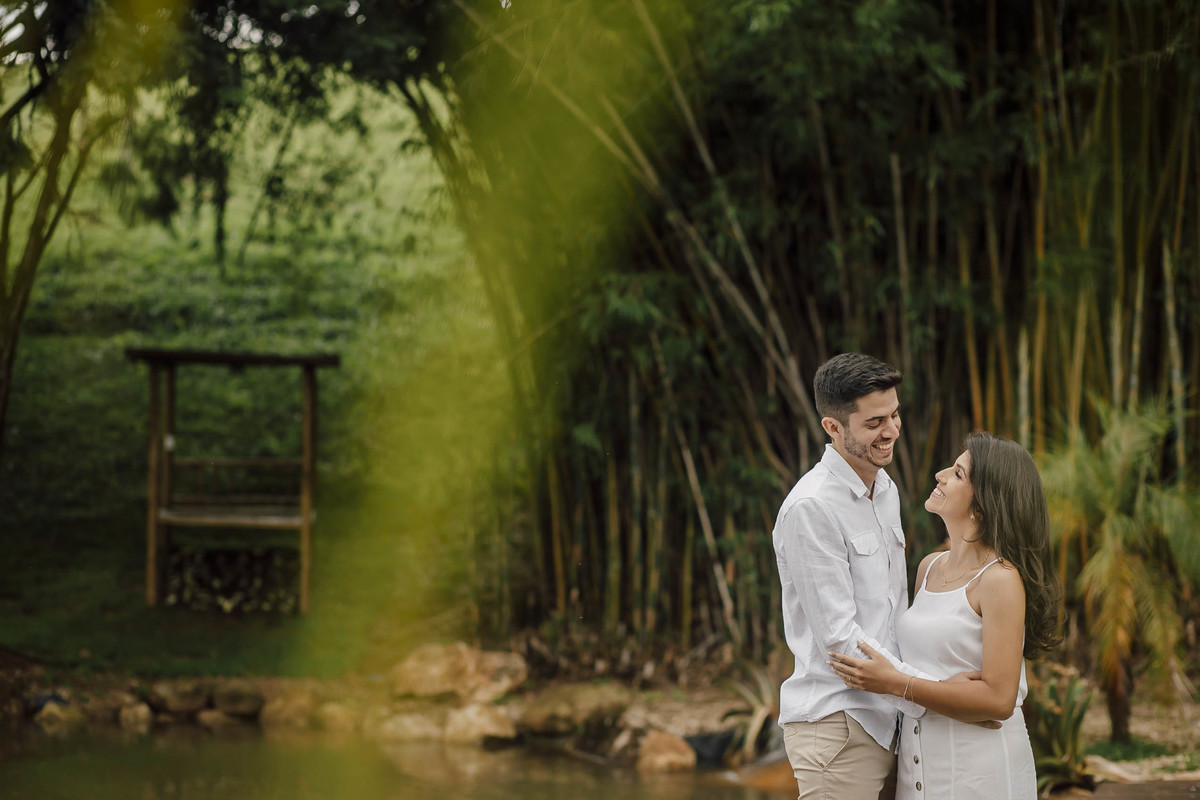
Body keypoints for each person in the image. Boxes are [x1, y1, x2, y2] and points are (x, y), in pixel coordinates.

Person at [829, 432, 1062, 800]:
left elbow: (999, 701)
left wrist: (897, 683)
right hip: (919, 767)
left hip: (980, 770)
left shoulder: (1000, 579)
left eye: (957, 473)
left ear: (983, 503)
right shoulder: (929, 567)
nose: (940, 474)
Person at [772, 353, 935, 800]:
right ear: (833, 428)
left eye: (895, 414)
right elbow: (842, 642)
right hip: (839, 726)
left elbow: (892, 608)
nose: (892, 431)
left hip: (893, 720)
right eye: (875, 422)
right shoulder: (811, 507)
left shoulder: (886, 489)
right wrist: (926, 694)